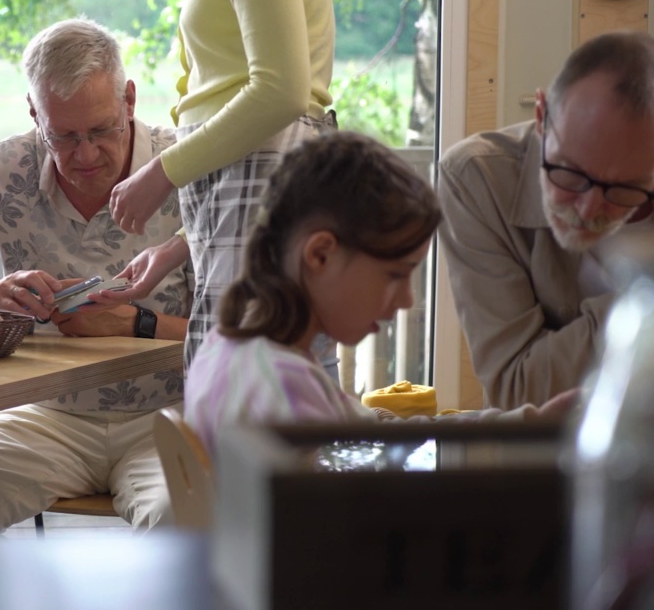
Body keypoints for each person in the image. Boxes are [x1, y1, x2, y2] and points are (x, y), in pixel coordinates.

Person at [0, 18, 191, 531]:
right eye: (63, 136)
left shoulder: (182, 167)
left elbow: (243, 333)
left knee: (181, 519)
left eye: (101, 130)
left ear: (130, 100)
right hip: (43, 415)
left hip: (170, 412)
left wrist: (137, 324)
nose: (85, 155)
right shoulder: (7, 168)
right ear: (33, 113)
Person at [183, 132, 577, 450]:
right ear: (320, 255)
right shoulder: (287, 393)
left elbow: (375, 430)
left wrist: (531, 421)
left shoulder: (229, 349)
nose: (407, 300)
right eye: (394, 275)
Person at [105, 0, 338, 370]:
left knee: (243, 403)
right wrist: (181, 246)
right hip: (257, 182)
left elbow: (281, 92)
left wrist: (160, 173)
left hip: (262, 175)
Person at [437, 31, 654, 408]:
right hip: (540, 460)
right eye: (569, 174)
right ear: (541, 117)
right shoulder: (477, 180)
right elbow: (518, 390)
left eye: (624, 188)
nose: (587, 210)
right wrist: (642, 301)